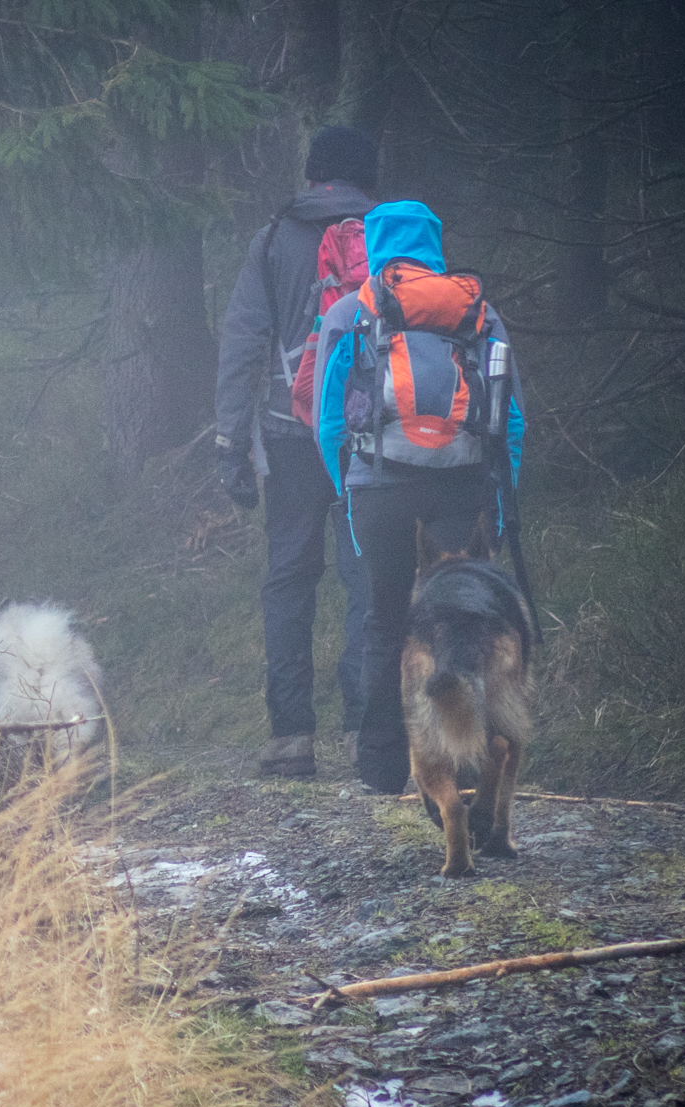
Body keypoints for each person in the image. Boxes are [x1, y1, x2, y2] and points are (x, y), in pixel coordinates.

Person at [312, 199, 526, 794]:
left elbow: (329, 422)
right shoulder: (477, 312)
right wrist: (500, 507)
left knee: (384, 619)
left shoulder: (355, 312)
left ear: (376, 244)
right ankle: (459, 766)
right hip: (461, 490)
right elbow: (511, 422)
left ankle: (382, 764)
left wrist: (348, 492)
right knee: (459, 623)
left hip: (381, 491)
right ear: (434, 241)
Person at [214, 125, 379, 779]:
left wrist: (230, 443)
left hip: (290, 433)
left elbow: (243, 343)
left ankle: (292, 740)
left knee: (289, 578)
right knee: (367, 574)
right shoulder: (392, 234)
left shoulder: (275, 238)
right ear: (368, 179)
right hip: (373, 437)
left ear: (312, 176)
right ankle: (373, 727)